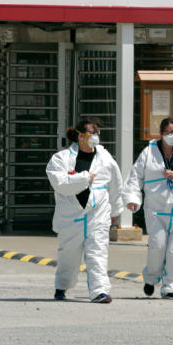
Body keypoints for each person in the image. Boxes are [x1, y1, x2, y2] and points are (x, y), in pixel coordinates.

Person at [122, 117, 173, 299]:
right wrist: (132, 198)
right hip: (156, 209)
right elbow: (135, 177)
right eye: (169, 132)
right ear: (161, 134)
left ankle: (171, 287)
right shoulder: (149, 153)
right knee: (157, 246)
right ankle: (151, 278)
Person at [45, 118, 122, 303]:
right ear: (80, 136)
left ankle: (100, 291)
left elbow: (116, 185)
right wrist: (84, 178)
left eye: (97, 133)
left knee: (98, 252)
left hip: (98, 214)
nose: (95, 136)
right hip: (71, 216)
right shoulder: (61, 158)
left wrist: (116, 211)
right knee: (68, 257)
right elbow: (61, 184)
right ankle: (62, 285)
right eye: (91, 133)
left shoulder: (105, 159)